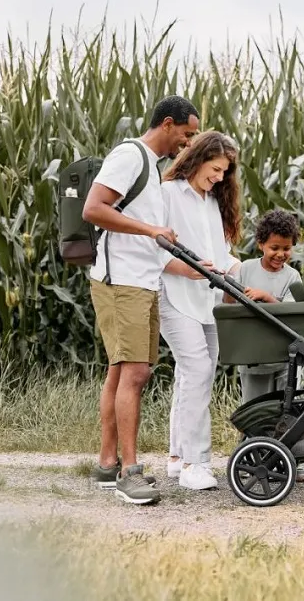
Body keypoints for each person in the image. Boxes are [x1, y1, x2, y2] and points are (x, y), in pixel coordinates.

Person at [83, 95, 200, 504]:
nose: (188, 143)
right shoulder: (130, 155)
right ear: (167, 124)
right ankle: (130, 474)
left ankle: (106, 464)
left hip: (143, 281)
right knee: (133, 374)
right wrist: (151, 230)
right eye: (187, 134)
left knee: (123, 373)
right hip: (122, 282)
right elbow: (93, 209)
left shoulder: (151, 167)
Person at [158, 131, 242, 491]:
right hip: (175, 295)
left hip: (208, 301)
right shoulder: (167, 195)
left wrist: (247, 274)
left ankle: (177, 457)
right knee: (198, 370)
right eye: (216, 169)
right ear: (199, 159)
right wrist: (184, 269)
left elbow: (222, 258)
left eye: (225, 172)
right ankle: (197, 463)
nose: (220, 178)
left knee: (191, 375)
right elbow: (150, 245)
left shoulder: (212, 202)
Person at [226, 209, 304, 482]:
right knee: (254, 409)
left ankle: (297, 459)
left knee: (288, 409)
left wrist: (265, 296)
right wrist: (231, 293)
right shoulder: (246, 269)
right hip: (253, 355)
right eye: (274, 247)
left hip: (284, 356)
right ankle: (252, 455)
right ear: (261, 243)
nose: (280, 254)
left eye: (287, 249)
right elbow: (229, 304)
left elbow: (291, 313)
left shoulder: (292, 277)